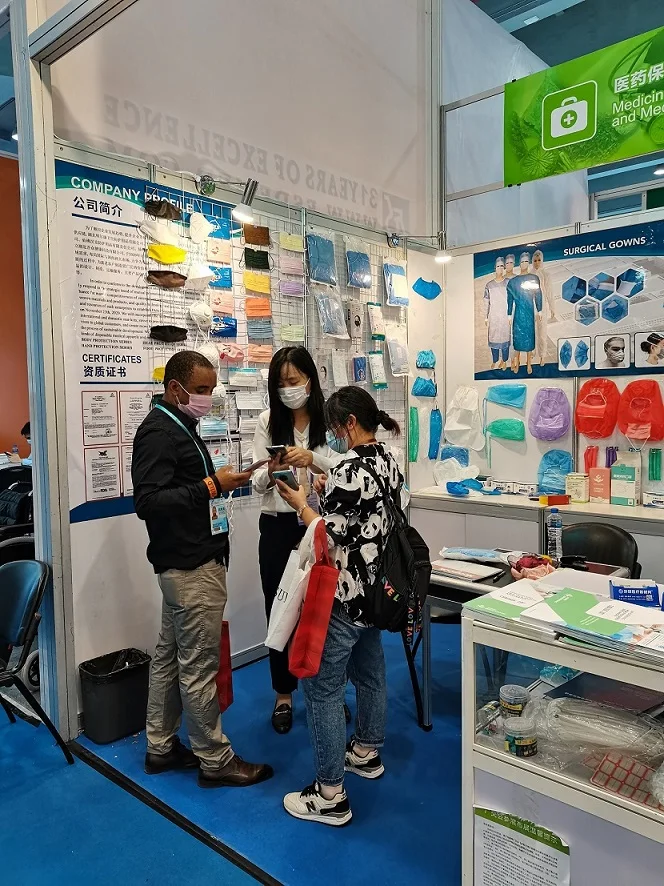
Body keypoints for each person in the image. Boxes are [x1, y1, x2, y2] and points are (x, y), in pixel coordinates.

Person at [132, 350, 273, 788]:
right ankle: (215, 759)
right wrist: (212, 485)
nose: (208, 397)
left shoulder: (180, 425)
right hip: (190, 568)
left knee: (170, 658)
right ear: (175, 388)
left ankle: (160, 746)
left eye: (211, 389)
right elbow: (148, 502)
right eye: (201, 389)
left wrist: (220, 482)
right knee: (198, 666)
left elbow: (185, 488)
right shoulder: (158, 432)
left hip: (185, 563)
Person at [275, 387, 404, 826]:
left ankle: (330, 794)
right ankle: (366, 751)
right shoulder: (388, 460)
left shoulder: (349, 468)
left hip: (345, 595)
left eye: (334, 427)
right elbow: (369, 517)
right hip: (377, 592)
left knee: (322, 689)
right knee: (370, 672)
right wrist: (329, 494)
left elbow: (327, 537)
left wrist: (302, 505)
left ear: (349, 423)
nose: (332, 435)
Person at [252, 346, 336, 734]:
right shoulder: (268, 421)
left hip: (320, 525)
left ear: (310, 381)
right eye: (281, 383)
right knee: (280, 608)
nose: (288, 389)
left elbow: (344, 467)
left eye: (294, 380)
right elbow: (255, 483)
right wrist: (272, 469)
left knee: (325, 611)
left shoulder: (329, 422)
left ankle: (328, 691)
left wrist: (313, 460)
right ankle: (283, 694)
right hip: (278, 528)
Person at [507, 252, 542, 375]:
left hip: (529, 312)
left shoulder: (534, 279)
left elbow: (538, 294)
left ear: (529, 263)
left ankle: (528, 363)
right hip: (518, 313)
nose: (524, 264)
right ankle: (517, 363)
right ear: (519, 263)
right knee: (517, 339)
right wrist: (509, 314)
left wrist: (539, 309)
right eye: (522, 262)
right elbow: (510, 299)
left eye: (526, 261)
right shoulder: (513, 282)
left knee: (529, 339)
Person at [484, 257, 510, 370]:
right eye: (498, 266)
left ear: (504, 268)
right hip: (494, 316)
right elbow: (486, 301)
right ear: (494, 268)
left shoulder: (508, 282)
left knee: (505, 339)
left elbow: (511, 300)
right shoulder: (489, 285)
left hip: (505, 316)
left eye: (501, 266)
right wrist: (486, 317)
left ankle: (504, 361)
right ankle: (495, 360)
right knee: (493, 338)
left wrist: (510, 315)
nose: (500, 268)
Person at [532, 250, 556, 366]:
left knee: (542, 332)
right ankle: (532, 351)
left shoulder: (546, 275)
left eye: (539, 260)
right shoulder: (529, 274)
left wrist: (552, 308)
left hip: (541, 307)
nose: (537, 263)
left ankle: (542, 356)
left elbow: (549, 292)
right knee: (531, 331)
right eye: (535, 260)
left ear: (542, 260)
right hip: (530, 306)